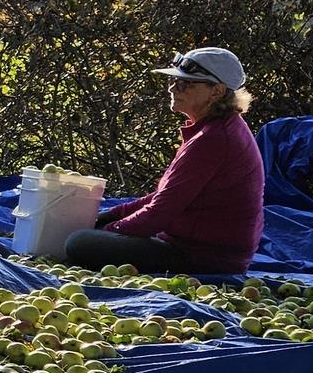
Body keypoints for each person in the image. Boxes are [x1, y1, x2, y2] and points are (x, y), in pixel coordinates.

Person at [63, 47, 265, 274]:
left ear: (216, 91)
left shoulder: (213, 139)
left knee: (78, 242)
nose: (172, 88)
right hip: (199, 248)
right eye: (174, 81)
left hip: (205, 257)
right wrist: (108, 216)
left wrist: (108, 230)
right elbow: (165, 197)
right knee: (89, 231)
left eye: (185, 84)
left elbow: (158, 214)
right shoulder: (216, 128)